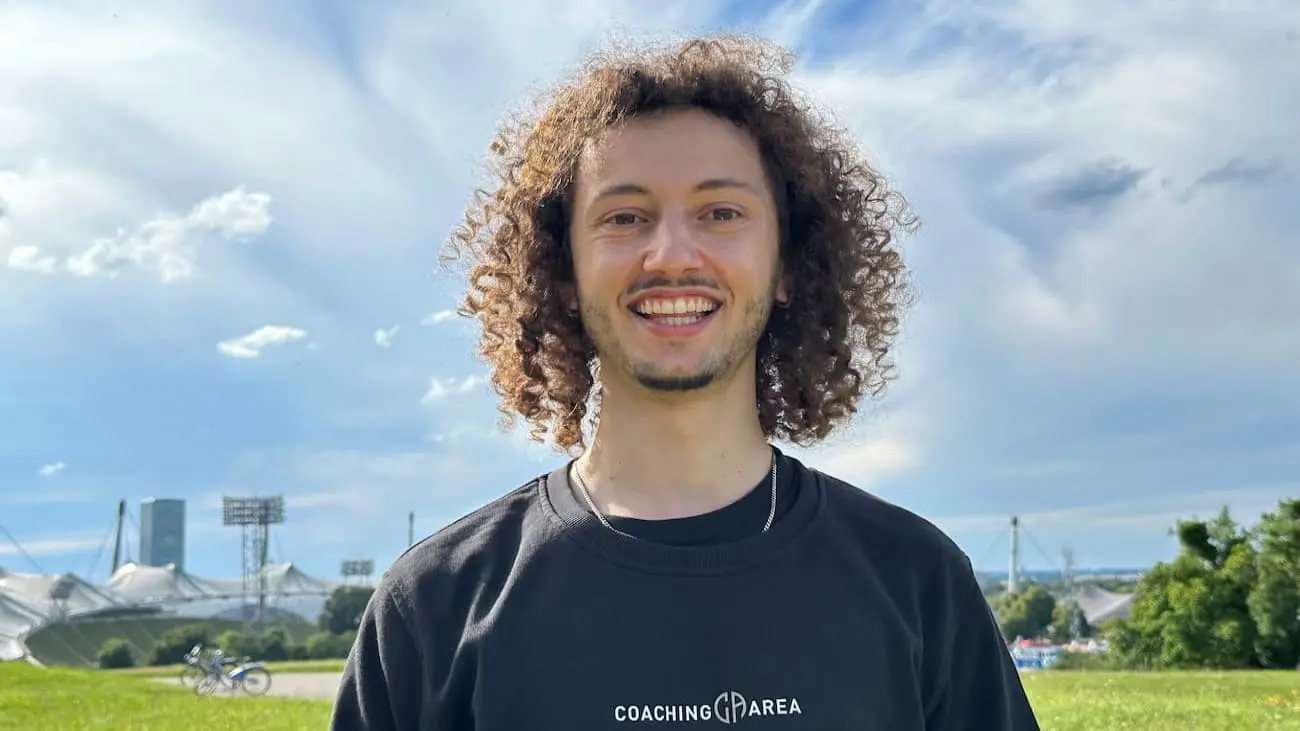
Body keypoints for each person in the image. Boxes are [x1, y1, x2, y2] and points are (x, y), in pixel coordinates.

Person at [330, 34, 1041, 730]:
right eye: (625, 217)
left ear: (788, 264)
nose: (671, 253)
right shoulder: (434, 604)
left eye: (721, 212)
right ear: (564, 273)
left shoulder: (916, 580)